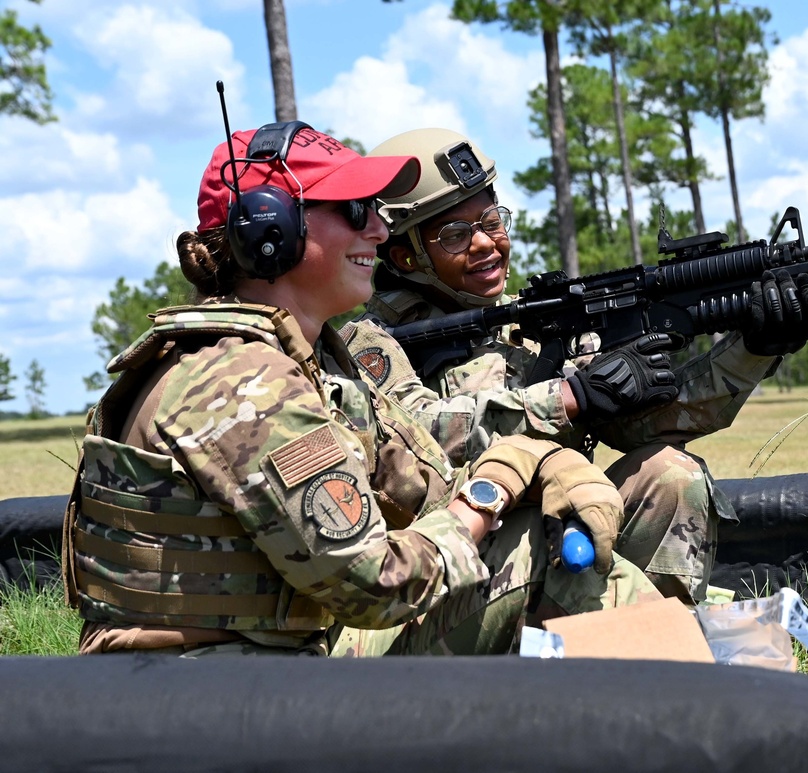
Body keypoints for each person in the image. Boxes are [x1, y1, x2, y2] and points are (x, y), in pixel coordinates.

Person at [61, 120, 661, 657]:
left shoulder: (308, 359)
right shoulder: (244, 383)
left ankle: (651, 689)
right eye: (353, 209)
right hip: (207, 709)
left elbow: (421, 482)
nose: (379, 227)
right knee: (528, 555)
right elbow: (378, 585)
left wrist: (534, 460)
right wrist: (492, 490)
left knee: (553, 530)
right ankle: (677, 703)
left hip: (264, 671)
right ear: (274, 229)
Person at [343, 127, 808, 605]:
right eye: (454, 235)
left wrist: (755, 350)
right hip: (448, 564)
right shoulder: (367, 345)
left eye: (492, 220)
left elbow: (647, 423)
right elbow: (419, 433)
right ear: (406, 255)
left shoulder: (526, 326)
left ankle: (671, 654)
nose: (487, 244)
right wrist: (571, 398)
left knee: (669, 473)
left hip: (562, 531)